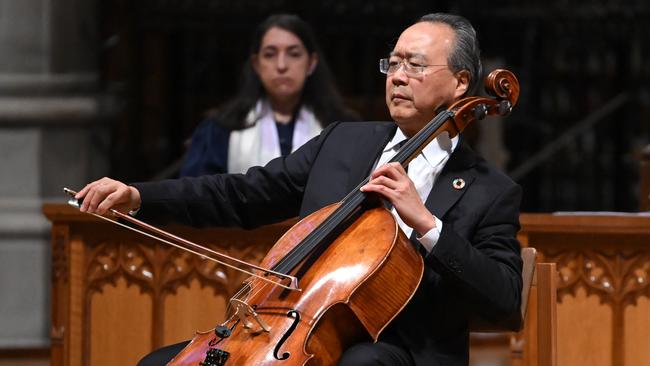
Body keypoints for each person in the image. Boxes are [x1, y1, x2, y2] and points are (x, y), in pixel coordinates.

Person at [76, 12, 523, 366]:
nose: (398, 77)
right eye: (394, 63)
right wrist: (140, 196)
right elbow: (243, 194)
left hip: (405, 350)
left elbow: (503, 299)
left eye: (416, 65)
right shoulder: (343, 142)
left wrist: (426, 223)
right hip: (296, 332)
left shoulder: (490, 189)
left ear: (461, 83)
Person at [179, 14, 356, 176]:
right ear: (256, 64)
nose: (281, 65)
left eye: (294, 54)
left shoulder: (341, 127)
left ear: (311, 63)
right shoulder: (221, 129)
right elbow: (198, 197)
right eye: (270, 54)